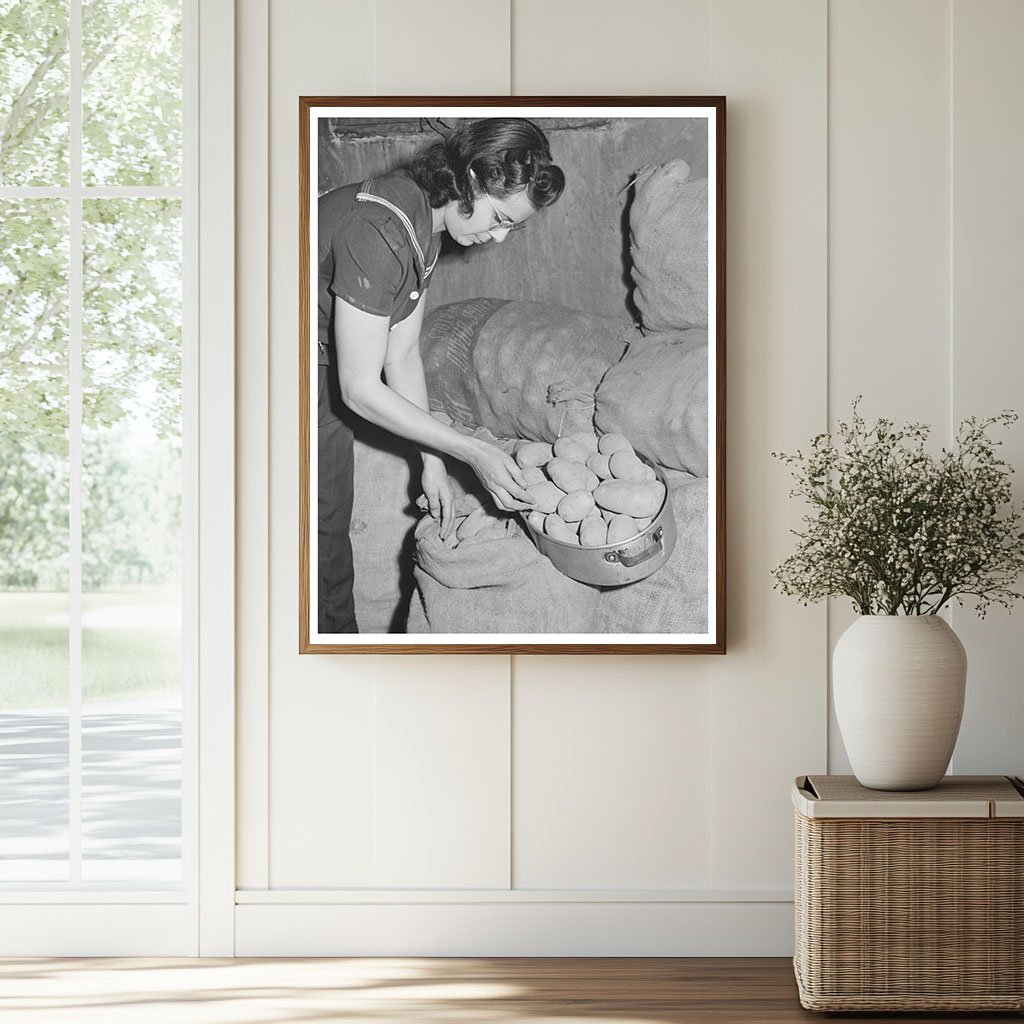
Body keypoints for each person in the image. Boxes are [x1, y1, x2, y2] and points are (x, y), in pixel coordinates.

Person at [317, 118, 565, 633]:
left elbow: (401, 356)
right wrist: (471, 450)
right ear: (470, 178)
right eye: (498, 217)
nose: (496, 238)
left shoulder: (422, 229)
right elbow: (359, 389)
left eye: (511, 228)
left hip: (318, 371)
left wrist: (430, 462)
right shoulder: (381, 228)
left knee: (327, 533)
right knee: (310, 545)